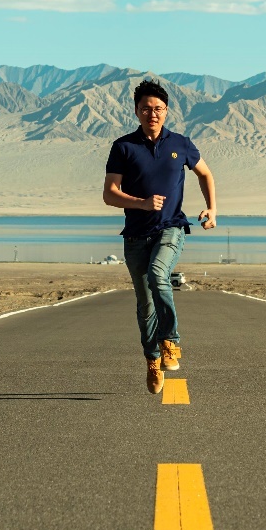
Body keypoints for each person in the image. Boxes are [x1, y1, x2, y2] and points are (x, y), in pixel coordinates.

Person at [102, 78, 217, 394]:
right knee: (146, 305)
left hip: (171, 228)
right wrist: (140, 203)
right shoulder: (124, 147)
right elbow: (110, 194)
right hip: (135, 238)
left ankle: (171, 343)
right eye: (146, 109)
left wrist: (212, 209)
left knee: (158, 274)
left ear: (167, 111)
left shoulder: (181, 144)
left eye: (158, 109)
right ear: (137, 112)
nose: (152, 114)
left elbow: (205, 174)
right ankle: (153, 361)